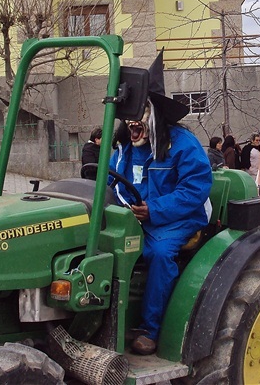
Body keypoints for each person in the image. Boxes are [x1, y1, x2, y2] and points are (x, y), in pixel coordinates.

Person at [109, 51, 213, 355]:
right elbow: (110, 182)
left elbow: (196, 190)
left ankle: (151, 329)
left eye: (139, 111)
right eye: (129, 114)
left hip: (178, 220)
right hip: (133, 219)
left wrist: (154, 210)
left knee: (158, 253)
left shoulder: (183, 144)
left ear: (154, 112)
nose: (132, 122)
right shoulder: (124, 148)